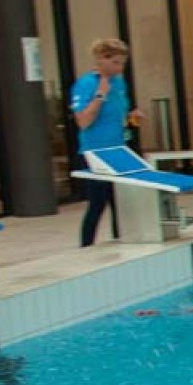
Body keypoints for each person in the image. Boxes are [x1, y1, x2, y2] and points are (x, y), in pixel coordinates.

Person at [70, 38, 142, 248]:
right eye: (116, 63)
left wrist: (132, 116)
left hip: (119, 148)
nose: (120, 68)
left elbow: (119, 115)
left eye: (122, 63)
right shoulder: (85, 84)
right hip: (95, 151)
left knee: (121, 202)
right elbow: (83, 121)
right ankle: (86, 246)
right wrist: (100, 95)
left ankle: (124, 242)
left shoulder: (119, 83)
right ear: (101, 59)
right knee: (97, 203)